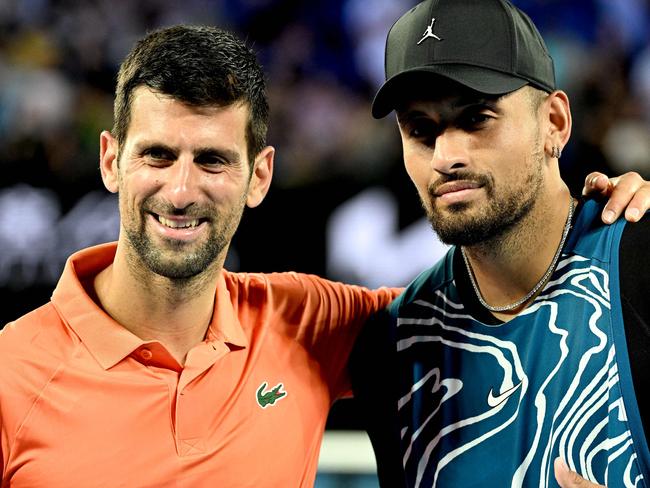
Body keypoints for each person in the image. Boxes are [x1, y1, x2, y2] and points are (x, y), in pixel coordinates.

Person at [0, 20, 646, 488]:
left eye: (214, 160)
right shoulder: (10, 375)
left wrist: (617, 218)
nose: (181, 189)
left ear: (260, 176)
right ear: (112, 159)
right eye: (158, 155)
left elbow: (509, 295)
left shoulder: (311, 321)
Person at [348, 1, 649, 487]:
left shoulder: (639, 262)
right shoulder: (395, 342)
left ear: (554, 123)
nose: (446, 156)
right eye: (420, 130)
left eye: (476, 119)